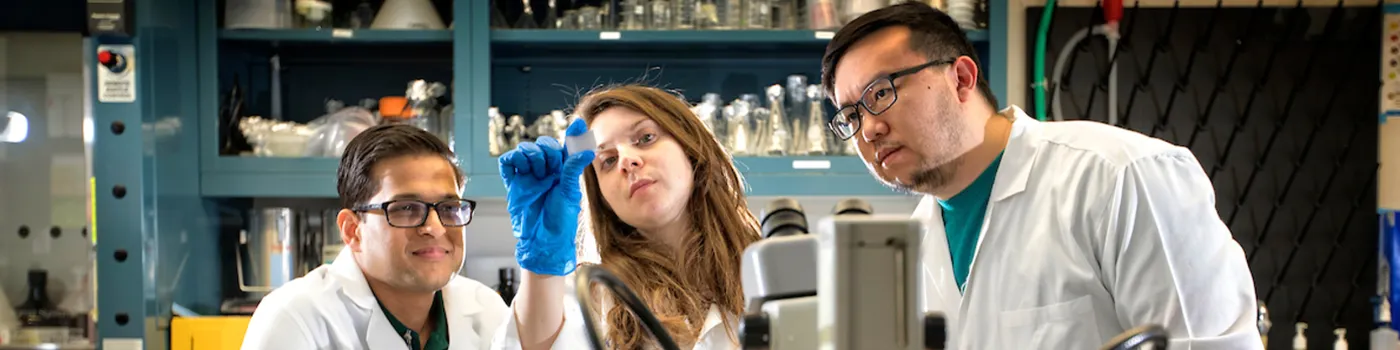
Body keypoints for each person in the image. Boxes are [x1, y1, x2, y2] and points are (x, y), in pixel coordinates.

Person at [820, 2, 1263, 349]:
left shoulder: (1120, 177)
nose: (869, 128)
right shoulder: (911, 245)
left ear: (960, 78)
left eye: (882, 92)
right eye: (850, 115)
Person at [491, 85, 762, 350]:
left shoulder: (770, 268)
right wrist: (542, 267)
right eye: (607, 160)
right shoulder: (593, 296)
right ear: (602, 198)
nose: (627, 160)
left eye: (646, 138)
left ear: (690, 148)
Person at [240, 124, 509, 350]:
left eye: (449, 208)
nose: (436, 228)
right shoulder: (295, 319)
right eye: (406, 209)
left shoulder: (486, 310)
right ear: (352, 230)